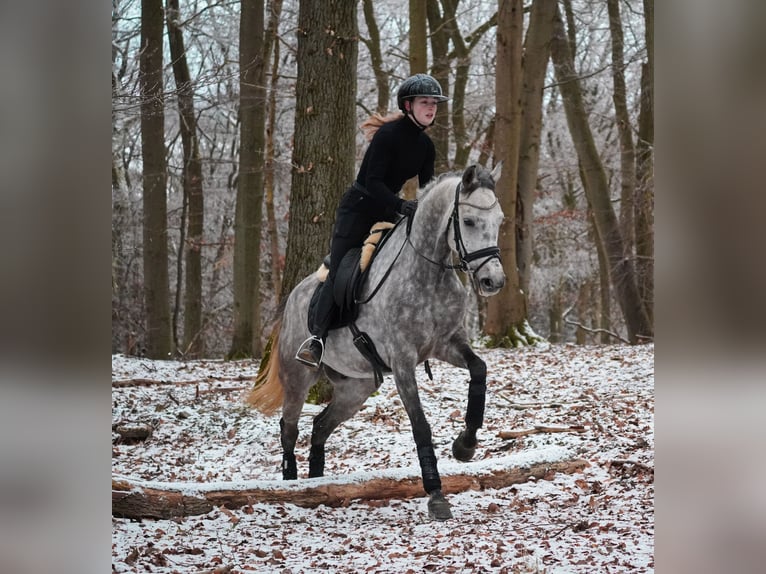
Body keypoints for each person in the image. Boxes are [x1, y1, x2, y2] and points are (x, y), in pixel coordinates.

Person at [295, 73, 449, 368]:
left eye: (434, 104)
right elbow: (374, 182)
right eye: (425, 103)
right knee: (341, 270)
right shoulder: (388, 135)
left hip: (389, 211)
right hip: (359, 209)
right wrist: (402, 204)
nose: (431, 108)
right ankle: (316, 339)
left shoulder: (426, 147)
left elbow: (427, 188)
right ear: (408, 105)